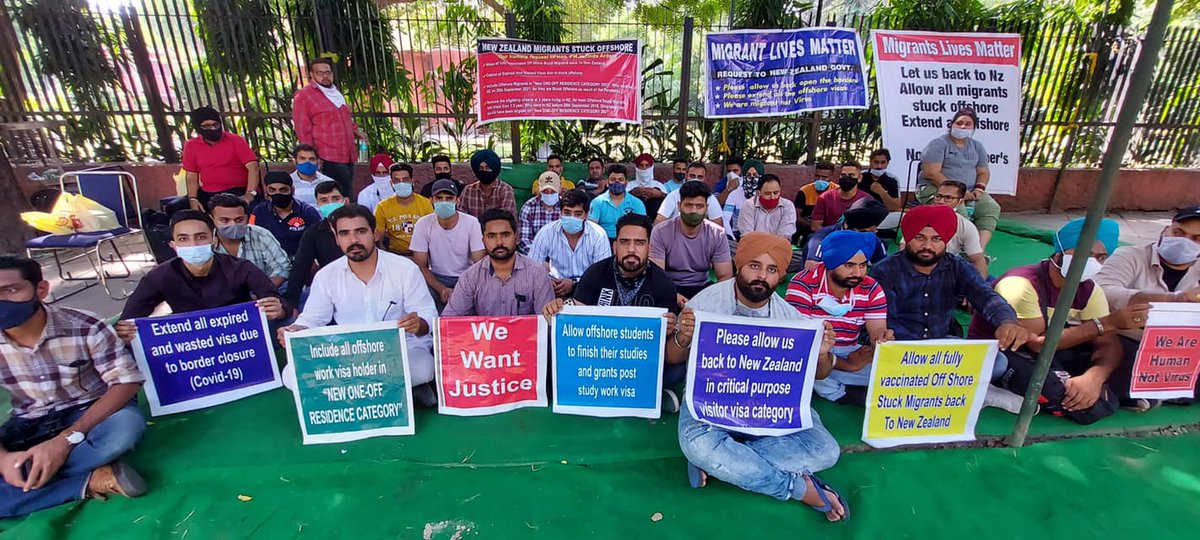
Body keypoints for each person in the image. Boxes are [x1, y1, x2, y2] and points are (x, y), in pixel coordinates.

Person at [667, 232, 847, 522]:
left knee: (826, 451)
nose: (761, 276)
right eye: (754, 266)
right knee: (698, 443)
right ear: (739, 266)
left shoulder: (790, 318)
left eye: (772, 269)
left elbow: (820, 373)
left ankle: (722, 461)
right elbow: (673, 358)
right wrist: (684, 337)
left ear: (780, 276)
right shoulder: (705, 303)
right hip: (710, 404)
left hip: (770, 405)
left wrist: (823, 353)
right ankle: (796, 487)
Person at [0, 254, 148, 517]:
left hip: (89, 413)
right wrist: (3, 460)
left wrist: (65, 440)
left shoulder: (84, 326)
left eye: (11, 290)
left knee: (125, 428)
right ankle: (87, 480)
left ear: (41, 290)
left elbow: (125, 383)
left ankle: (28, 477)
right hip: (27, 422)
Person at [969, 218, 1145, 424]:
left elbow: (1107, 342)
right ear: (1060, 249)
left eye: (1101, 257)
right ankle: (996, 388)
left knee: (1125, 355)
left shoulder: (1089, 290)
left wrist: (1094, 377)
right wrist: (1106, 323)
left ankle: (1089, 389)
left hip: (1057, 353)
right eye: (1084, 253)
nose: (1091, 262)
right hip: (1006, 354)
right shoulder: (1020, 283)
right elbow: (1036, 344)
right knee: (1063, 394)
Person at [870, 205, 1028, 411]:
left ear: (945, 241)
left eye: (936, 239)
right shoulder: (884, 271)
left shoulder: (956, 266)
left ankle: (943, 391)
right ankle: (967, 392)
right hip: (900, 352)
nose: (927, 245)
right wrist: (884, 337)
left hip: (940, 348)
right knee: (861, 371)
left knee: (997, 362)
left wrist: (1006, 321)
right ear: (907, 238)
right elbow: (880, 322)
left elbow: (986, 296)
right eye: (920, 238)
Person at [278, 204, 438, 406]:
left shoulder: (405, 269)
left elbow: (427, 312)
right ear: (337, 239)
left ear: (375, 234)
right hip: (348, 353)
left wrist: (419, 324)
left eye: (361, 232)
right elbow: (313, 318)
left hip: (399, 349)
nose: (353, 240)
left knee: (424, 368)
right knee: (290, 374)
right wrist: (296, 330)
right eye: (344, 234)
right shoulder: (327, 276)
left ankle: (351, 391)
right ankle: (399, 389)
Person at [542, 213, 683, 408]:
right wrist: (559, 311)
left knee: (676, 370)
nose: (632, 249)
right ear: (615, 246)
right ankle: (649, 392)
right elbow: (575, 325)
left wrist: (668, 331)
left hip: (639, 364)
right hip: (597, 360)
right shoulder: (594, 274)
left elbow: (666, 349)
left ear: (649, 248)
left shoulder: (664, 284)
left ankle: (649, 392)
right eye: (625, 242)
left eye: (639, 243)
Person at [117, 210, 287, 339]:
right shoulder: (158, 277)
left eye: (200, 237)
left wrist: (278, 310)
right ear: (173, 244)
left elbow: (276, 301)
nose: (193, 244)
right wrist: (125, 331)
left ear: (213, 240)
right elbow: (130, 318)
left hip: (239, 338)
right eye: (183, 239)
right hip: (191, 342)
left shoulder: (241, 268)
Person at [1093, 206, 1200, 407]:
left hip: (1181, 347)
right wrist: (1173, 299)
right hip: (1129, 339)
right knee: (1117, 356)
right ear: (1165, 231)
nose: (1185, 242)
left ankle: (1160, 391)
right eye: (1178, 233)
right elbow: (1101, 291)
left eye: (1197, 238)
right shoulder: (1130, 256)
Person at [787, 231, 890, 404]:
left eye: (863, 265)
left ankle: (839, 385)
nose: (857, 273)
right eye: (849, 265)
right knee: (802, 369)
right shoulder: (803, 285)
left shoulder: (871, 287)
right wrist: (849, 365)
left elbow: (877, 331)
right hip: (812, 352)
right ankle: (841, 392)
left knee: (890, 373)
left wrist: (882, 340)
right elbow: (801, 344)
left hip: (849, 349)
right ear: (831, 263)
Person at [443, 210, 555, 317]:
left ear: (516, 237)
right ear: (483, 240)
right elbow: (448, 321)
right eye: (491, 236)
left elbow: (547, 321)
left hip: (528, 337)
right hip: (483, 337)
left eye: (505, 235)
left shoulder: (537, 274)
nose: (499, 242)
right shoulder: (470, 277)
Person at [918, 107, 1001, 251]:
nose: (963, 126)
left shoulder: (977, 146)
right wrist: (959, 193)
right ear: (951, 124)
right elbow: (931, 173)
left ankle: (976, 250)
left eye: (968, 124)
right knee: (957, 210)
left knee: (991, 208)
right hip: (936, 188)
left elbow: (983, 172)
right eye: (959, 122)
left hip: (969, 190)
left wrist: (979, 188)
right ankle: (955, 252)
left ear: (974, 127)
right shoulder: (938, 144)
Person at [292, 57, 366, 198]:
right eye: (320, 73)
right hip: (328, 154)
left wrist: (358, 132)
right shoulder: (304, 96)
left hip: (348, 153)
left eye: (328, 73)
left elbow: (345, 118)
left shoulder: (334, 92)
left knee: (346, 189)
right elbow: (303, 130)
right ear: (312, 75)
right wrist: (312, 156)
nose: (325, 76)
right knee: (339, 193)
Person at [651, 181, 733, 304]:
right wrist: (675, 296)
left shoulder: (717, 234)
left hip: (704, 289)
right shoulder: (660, 231)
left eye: (699, 206)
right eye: (688, 205)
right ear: (679, 206)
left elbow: (725, 276)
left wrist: (706, 298)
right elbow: (657, 275)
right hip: (669, 287)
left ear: (707, 208)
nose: (693, 211)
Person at [410, 179, 485, 306]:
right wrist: (441, 289)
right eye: (439, 198)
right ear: (431, 200)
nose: (444, 202)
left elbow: (479, 263)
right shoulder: (423, 223)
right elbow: (420, 265)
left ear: (458, 200)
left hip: (467, 277)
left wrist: (462, 289)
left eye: (449, 198)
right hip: (436, 278)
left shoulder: (471, 223)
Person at [528, 189, 611, 298]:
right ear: (560, 212)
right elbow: (532, 268)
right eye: (567, 213)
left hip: (589, 288)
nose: (572, 218)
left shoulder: (598, 235)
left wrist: (574, 283)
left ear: (586, 215)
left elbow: (603, 275)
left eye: (578, 214)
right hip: (554, 288)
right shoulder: (546, 232)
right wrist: (547, 281)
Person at [182, 106, 259, 211]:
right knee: (175, 208)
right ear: (198, 128)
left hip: (237, 192)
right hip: (208, 194)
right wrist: (193, 199)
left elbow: (253, 168)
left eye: (215, 125)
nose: (213, 129)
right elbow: (191, 176)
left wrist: (250, 194)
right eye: (207, 126)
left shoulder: (235, 140)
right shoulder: (191, 145)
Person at [286, 181, 347, 310]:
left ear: (345, 200)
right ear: (318, 204)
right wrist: (291, 304)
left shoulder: (362, 226)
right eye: (324, 200)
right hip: (331, 289)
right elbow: (300, 268)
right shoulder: (313, 233)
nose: (330, 203)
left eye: (335, 199)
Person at [209, 193, 290, 288]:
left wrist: (262, 292)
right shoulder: (204, 243)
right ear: (212, 219)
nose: (233, 224)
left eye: (239, 220)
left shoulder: (261, 235)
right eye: (224, 220)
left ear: (247, 218)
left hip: (262, 293)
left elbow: (283, 268)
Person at [249, 171, 322, 258]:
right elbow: (252, 239)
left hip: (300, 261)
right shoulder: (259, 211)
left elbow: (318, 241)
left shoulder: (307, 212)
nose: (278, 194)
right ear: (266, 191)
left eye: (283, 190)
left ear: (293, 190)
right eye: (272, 190)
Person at [805, 198, 889, 270]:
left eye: (873, 232)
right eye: (864, 232)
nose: (868, 236)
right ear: (847, 226)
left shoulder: (871, 238)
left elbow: (885, 268)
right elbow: (811, 268)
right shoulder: (821, 238)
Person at [927, 180, 988, 278]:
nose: (941, 201)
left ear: (960, 202)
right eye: (938, 196)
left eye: (948, 198)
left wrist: (980, 288)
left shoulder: (966, 226)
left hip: (948, 270)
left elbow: (977, 260)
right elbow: (904, 249)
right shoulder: (920, 219)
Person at [374, 163, 433, 256]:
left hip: (422, 254)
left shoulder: (425, 203)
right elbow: (378, 240)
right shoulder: (382, 207)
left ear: (412, 181)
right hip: (395, 255)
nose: (401, 183)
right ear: (391, 183)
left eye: (405, 180)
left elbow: (432, 235)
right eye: (397, 180)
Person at [588, 164, 647, 240]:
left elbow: (643, 228)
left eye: (620, 180)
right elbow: (591, 227)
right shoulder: (597, 202)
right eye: (613, 179)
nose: (617, 182)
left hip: (628, 241)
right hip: (603, 240)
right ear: (607, 182)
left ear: (626, 183)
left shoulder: (637, 203)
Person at [810, 161, 873, 231]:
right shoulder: (825, 197)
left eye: (851, 175)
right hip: (828, 237)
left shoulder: (867, 200)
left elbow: (870, 228)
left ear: (859, 178)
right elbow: (815, 226)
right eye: (843, 175)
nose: (846, 178)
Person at [656, 163, 723, 227]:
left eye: (700, 177)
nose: (695, 179)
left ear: (704, 178)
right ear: (686, 176)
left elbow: (718, 225)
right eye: (692, 176)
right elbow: (658, 223)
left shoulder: (710, 197)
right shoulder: (673, 195)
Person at [459, 149, 516, 217]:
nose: (484, 171)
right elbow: (462, 217)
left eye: (487, 167)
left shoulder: (505, 190)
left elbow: (507, 220)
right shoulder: (468, 191)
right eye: (481, 168)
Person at [738, 173, 796, 240]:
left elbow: (785, 235)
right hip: (754, 246)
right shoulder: (749, 205)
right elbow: (747, 235)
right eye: (767, 193)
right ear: (758, 193)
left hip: (778, 247)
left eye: (776, 193)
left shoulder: (788, 206)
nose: (772, 197)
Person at [518, 172, 563, 254]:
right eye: (545, 191)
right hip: (535, 256)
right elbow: (524, 240)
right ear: (539, 189)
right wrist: (538, 257)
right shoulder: (529, 207)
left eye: (553, 191)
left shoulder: (566, 207)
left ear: (560, 189)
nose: (549, 194)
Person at [793, 161, 835, 238]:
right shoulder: (804, 191)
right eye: (817, 176)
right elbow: (796, 216)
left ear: (831, 177)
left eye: (824, 177)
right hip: (807, 230)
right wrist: (813, 225)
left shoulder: (837, 191)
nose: (820, 180)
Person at [860, 149, 902, 213]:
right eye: (876, 162)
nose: (879, 166)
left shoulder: (893, 180)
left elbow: (895, 207)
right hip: (861, 212)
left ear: (887, 163)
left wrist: (882, 193)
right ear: (870, 162)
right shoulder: (860, 176)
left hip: (884, 215)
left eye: (883, 162)